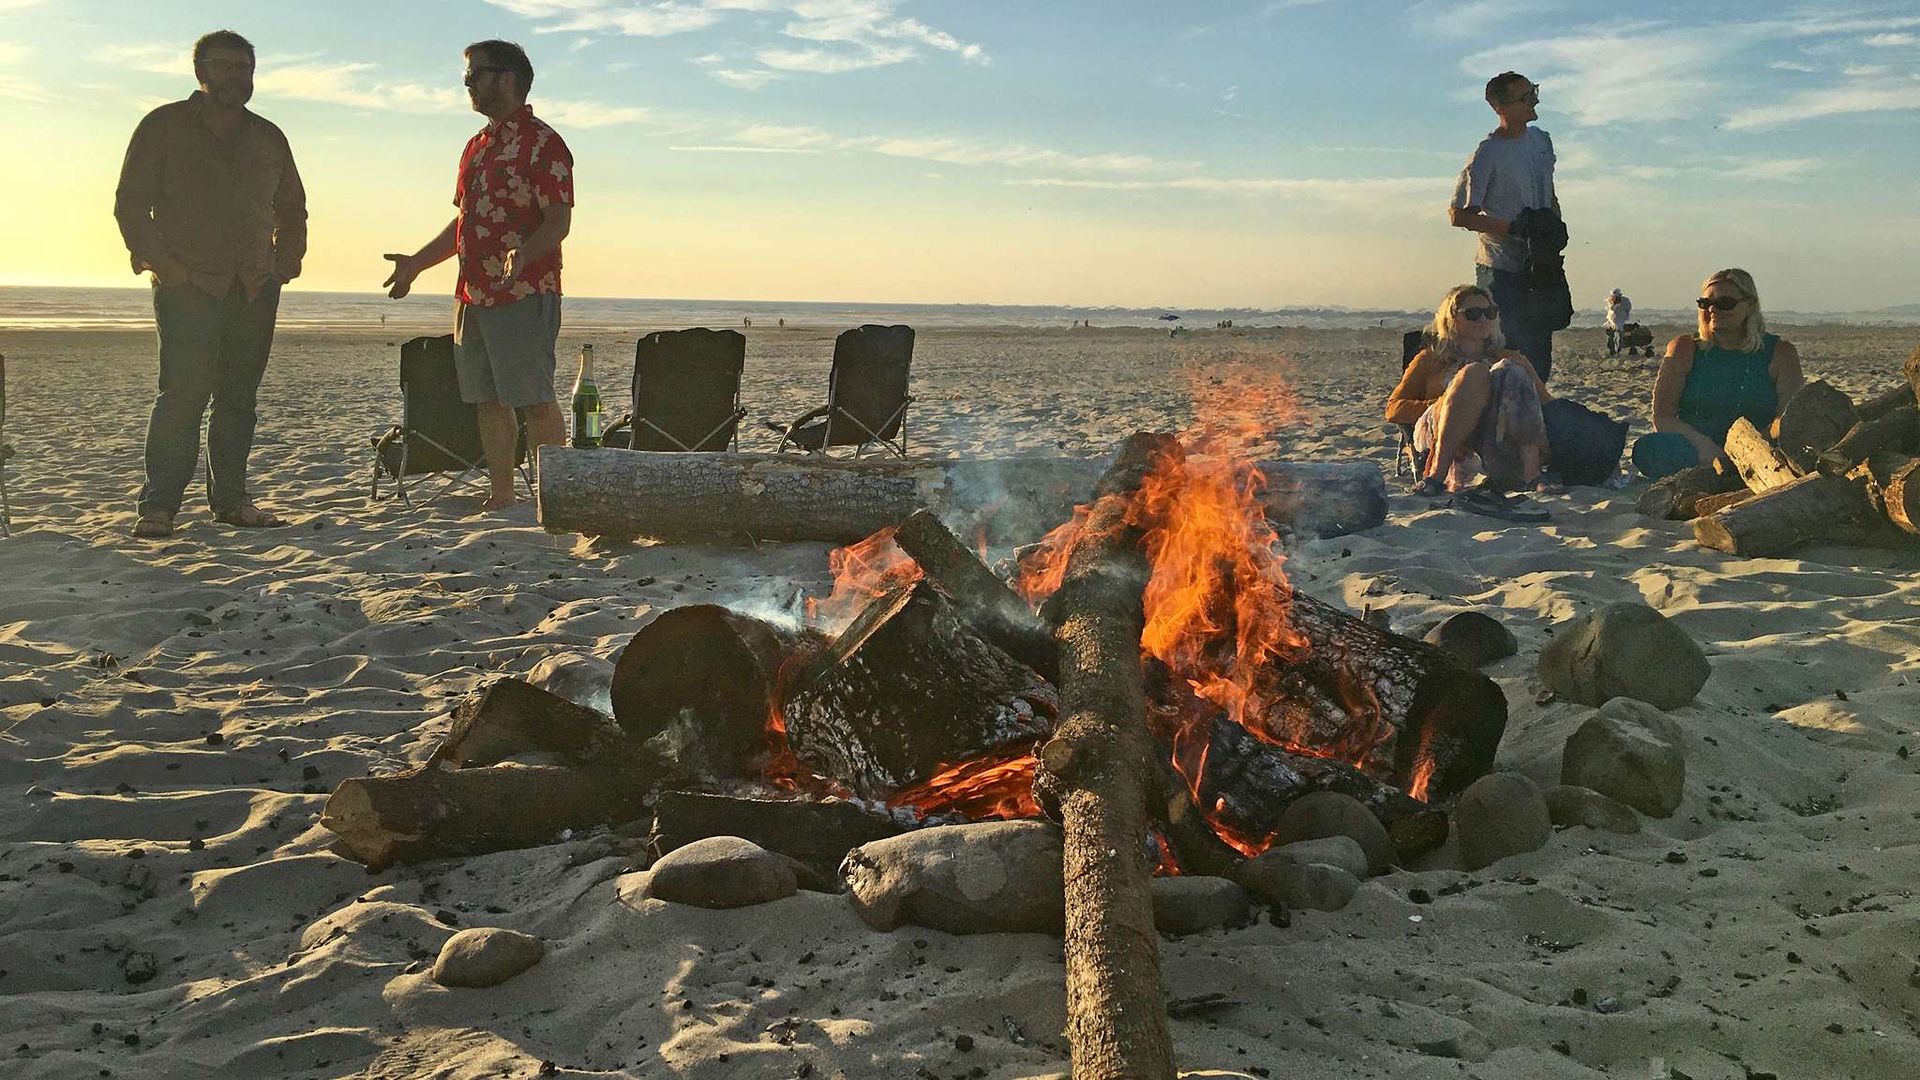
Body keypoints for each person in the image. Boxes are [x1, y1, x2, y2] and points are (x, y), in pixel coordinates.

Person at [114, 30, 306, 538]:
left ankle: (231, 501)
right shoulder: (163, 126)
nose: (235, 77)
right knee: (182, 395)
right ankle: (159, 507)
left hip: (253, 286)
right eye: (223, 67)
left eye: (243, 67)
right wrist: (166, 266)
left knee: (239, 398)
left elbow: (292, 209)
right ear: (201, 72)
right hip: (188, 285)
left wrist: (285, 264)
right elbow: (131, 204)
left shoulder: (269, 136)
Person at [383, 39, 573, 513]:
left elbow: (559, 220)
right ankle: (503, 495)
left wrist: (523, 256)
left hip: (525, 292)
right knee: (488, 400)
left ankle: (561, 497)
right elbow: (465, 222)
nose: (466, 84)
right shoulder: (475, 147)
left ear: (506, 78)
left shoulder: (542, 143)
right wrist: (416, 264)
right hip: (472, 294)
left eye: (474, 75)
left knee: (533, 397)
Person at [1631, 269, 1803, 480]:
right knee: (1648, 449)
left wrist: (1746, 451)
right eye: (1705, 303)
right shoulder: (1684, 348)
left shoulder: (1781, 352)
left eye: (1725, 303)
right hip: (1697, 449)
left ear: (1749, 306)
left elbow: (1786, 419)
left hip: (1758, 449)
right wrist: (1708, 449)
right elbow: (1663, 416)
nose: (1713, 309)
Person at [1387, 285, 1552, 504]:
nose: (1483, 319)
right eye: (1473, 314)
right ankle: (1437, 474)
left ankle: (1532, 474)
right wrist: (1450, 402)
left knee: (1511, 370)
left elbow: (1548, 406)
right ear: (1451, 319)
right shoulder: (1430, 359)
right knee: (1474, 373)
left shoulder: (1510, 357)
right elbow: (1394, 408)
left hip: (1495, 438)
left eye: (1490, 312)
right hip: (1438, 433)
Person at [1449, 71, 1562, 382]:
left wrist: (1552, 226)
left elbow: (1547, 189)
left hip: (1541, 263)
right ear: (1501, 107)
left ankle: (1535, 419)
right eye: (1525, 97)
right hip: (1501, 268)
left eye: (1534, 92)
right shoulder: (1487, 154)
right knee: (1506, 352)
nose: (1534, 101)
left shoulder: (1541, 140)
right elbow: (1459, 215)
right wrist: (1512, 228)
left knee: (1539, 354)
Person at [1605, 288, 1631, 357]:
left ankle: (1619, 351)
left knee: (1620, 337)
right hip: (1611, 322)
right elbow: (1609, 311)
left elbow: (1628, 309)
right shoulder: (1609, 301)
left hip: (1620, 322)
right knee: (1611, 338)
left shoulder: (1625, 301)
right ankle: (1612, 351)